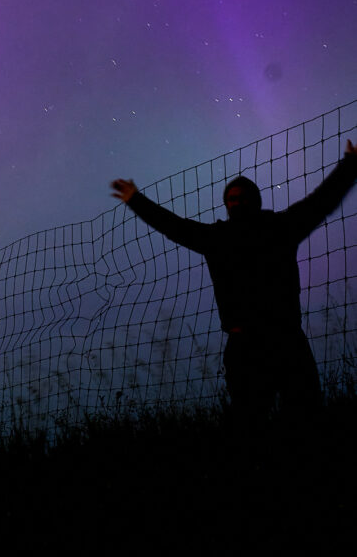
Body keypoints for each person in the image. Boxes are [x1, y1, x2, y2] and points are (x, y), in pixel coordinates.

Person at [111, 139, 357, 423]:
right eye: (232, 199)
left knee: (304, 414)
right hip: (245, 346)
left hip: (286, 340)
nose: (236, 203)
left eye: (242, 198)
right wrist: (136, 200)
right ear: (227, 205)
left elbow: (320, 202)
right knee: (251, 419)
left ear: (255, 201)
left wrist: (350, 165)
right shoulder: (219, 237)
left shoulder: (279, 228)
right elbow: (173, 226)